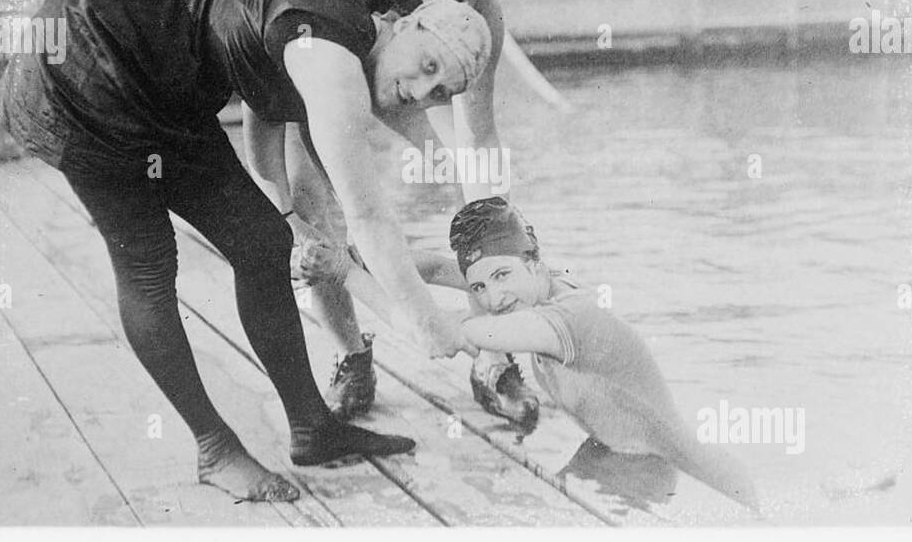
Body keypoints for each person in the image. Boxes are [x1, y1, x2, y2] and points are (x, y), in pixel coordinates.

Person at [0, 0, 486, 502]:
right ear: (406, 23)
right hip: (81, 66)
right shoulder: (330, 58)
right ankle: (215, 447)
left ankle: (310, 427)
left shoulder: (346, 34)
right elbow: (367, 214)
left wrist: (293, 214)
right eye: (427, 65)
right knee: (150, 266)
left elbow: (263, 116)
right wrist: (424, 320)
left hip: (160, 82)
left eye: (442, 90)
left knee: (262, 241)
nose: (423, 92)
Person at [246, 0, 535, 425]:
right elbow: (287, 95)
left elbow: (478, 137)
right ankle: (352, 354)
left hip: (403, 79)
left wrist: (499, 238)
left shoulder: (478, 9)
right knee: (320, 209)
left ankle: (493, 356)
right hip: (302, 85)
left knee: (487, 202)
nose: (466, 6)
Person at [301, 197, 762, 513]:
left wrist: (343, 271)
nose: (493, 295)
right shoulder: (537, 284)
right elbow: (441, 267)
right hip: (607, 448)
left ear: (534, 262)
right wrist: (366, 256)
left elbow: (434, 333)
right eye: (479, 285)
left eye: (501, 276)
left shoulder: (559, 322)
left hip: (646, 467)